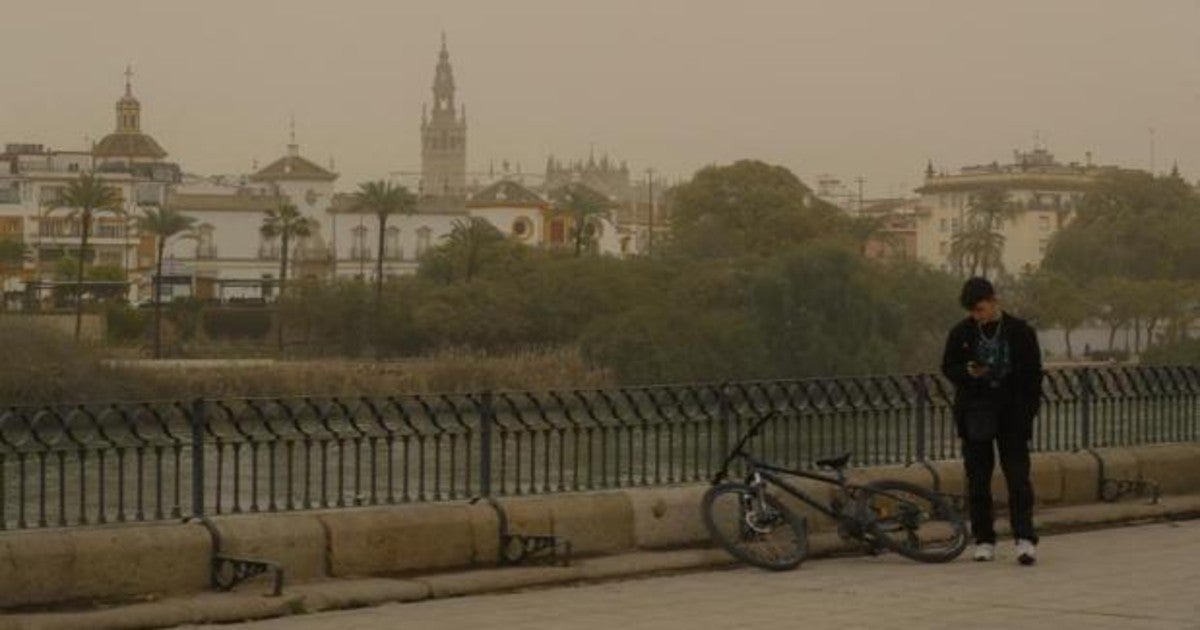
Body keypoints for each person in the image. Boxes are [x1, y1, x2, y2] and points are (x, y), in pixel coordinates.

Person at [941, 277, 1043, 565]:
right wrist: (968, 372)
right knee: (977, 480)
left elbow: (1033, 376)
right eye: (973, 311)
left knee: (1018, 478)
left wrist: (1027, 414)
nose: (978, 316)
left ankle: (1024, 538)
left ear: (994, 301)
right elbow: (948, 367)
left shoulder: (1020, 331)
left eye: (981, 309)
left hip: (1012, 414)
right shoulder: (961, 333)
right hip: (976, 413)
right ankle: (984, 539)